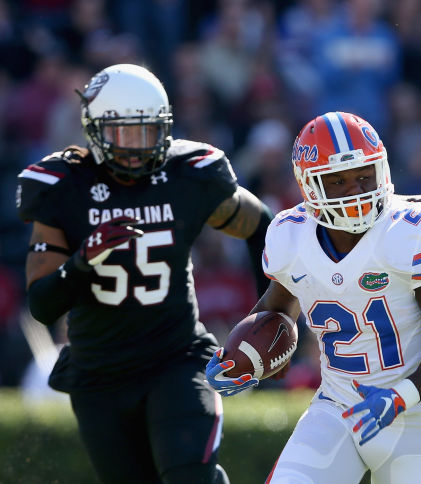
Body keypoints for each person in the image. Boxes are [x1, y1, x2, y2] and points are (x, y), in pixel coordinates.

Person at [16, 63, 273, 484]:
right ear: (95, 130)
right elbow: (43, 304)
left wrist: (270, 313)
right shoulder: (64, 187)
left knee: (192, 476)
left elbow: (262, 227)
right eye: (123, 133)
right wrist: (83, 262)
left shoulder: (188, 175)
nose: (136, 147)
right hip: (99, 373)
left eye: (147, 131)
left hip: (175, 357)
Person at [206, 111, 421, 483]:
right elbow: (278, 310)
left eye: (365, 175)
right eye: (338, 181)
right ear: (309, 185)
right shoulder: (291, 237)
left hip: (418, 414)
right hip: (337, 407)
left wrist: (401, 396)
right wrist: (245, 358)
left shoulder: (409, 231)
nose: (356, 190)